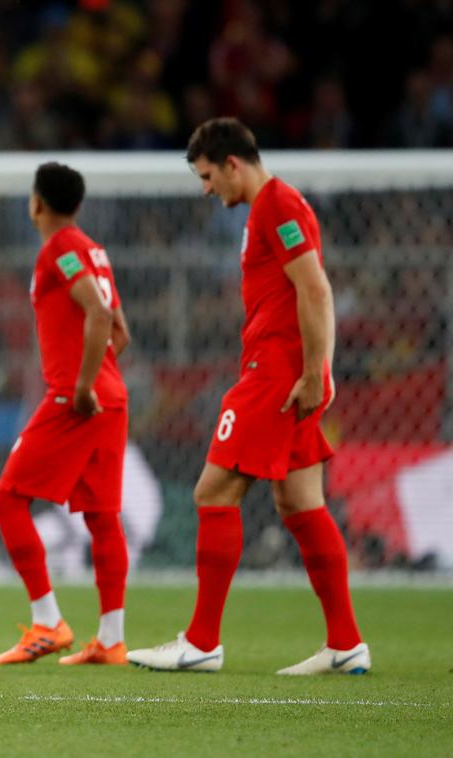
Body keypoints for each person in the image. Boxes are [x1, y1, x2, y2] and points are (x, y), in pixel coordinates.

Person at [127, 117, 369, 675]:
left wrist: (316, 371)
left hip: (276, 375)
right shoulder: (274, 207)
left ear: (233, 163)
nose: (206, 189)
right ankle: (346, 642)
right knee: (299, 503)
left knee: (213, 492)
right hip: (288, 371)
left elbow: (315, 288)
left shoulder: (278, 205)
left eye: (208, 176)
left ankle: (202, 641)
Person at [0, 162, 134, 667]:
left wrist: (82, 383)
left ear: (37, 203)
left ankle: (48, 622)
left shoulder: (60, 249)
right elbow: (121, 330)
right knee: (102, 516)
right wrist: (100, 376)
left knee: (7, 502)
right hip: (112, 398)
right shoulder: (95, 249)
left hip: (77, 397)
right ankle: (111, 639)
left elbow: (96, 312)